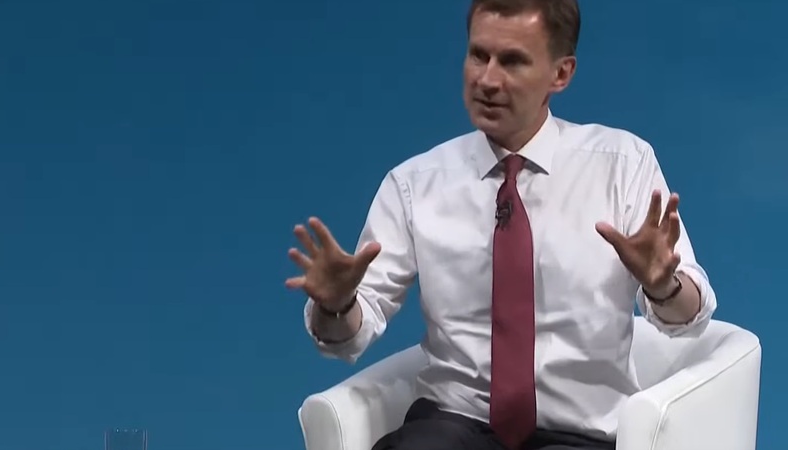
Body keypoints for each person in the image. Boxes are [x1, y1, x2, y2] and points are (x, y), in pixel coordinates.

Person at [285, 0, 717, 449]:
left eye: (512, 61)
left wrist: (662, 286)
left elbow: (690, 319)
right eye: (479, 55)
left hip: (581, 435)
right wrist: (337, 305)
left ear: (561, 73)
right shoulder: (414, 184)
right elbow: (347, 339)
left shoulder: (622, 164)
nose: (487, 80)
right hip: (454, 425)